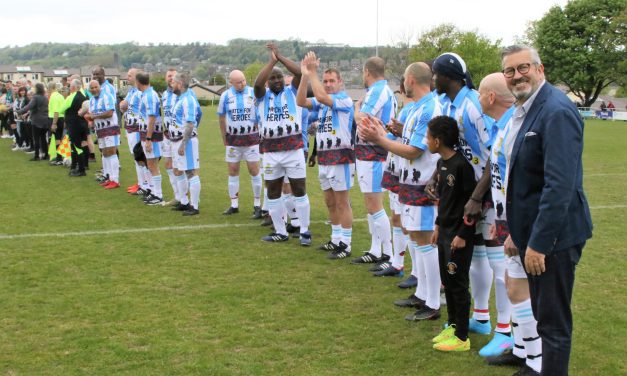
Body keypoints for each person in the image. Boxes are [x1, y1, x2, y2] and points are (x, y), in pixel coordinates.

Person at [503, 44, 592, 376]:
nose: (516, 76)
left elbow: (559, 187)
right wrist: (518, 233)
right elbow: (525, 182)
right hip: (534, 234)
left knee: (553, 325)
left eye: (523, 67)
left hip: (555, 239)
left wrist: (538, 243)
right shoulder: (526, 108)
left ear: (540, 69)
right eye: (509, 71)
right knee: (544, 318)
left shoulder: (555, 110)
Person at [463, 72, 543, 373]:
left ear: (491, 97)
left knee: (520, 288)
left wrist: (515, 226)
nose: (477, 99)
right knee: (512, 285)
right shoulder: (503, 125)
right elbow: (499, 177)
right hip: (508, 218)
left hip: (522, 220)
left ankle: (535, 361)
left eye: (480, 93)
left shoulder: (516, 124)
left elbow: (521, 181)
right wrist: (499, 217)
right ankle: (521, 350)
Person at [432, 52, 511, 342]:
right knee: (476, 258)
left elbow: (495, 155)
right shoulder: (452, 104)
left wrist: (478, 196)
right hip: (470, 192)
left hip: (487, 192)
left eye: (435, 73)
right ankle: (480, 316)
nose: (432, 79)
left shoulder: (473, 105)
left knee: (497, 260)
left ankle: (505, 330)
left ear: (447, 76)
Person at [359, 63, 443, 321]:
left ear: (410, 80)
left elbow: (416, 150)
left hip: (424, 182)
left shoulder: (430, 107)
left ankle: (433, 302)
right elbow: (409, 143)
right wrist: (389, 133)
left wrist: (380, 139)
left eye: (405, 79)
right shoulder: (416, 107)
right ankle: (422, 293)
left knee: (426, 239)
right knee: (417, 236)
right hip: (410, 180)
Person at [296, 51, 355, 258]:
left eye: (332, 81)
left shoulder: (345, 100)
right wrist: (304, 75)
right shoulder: (322, 103)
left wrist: (313, 72)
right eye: (325, 81)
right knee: (330, 202)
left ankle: (346, 245)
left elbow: (321, 96)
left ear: (340, 82)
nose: (328, 84)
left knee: (342, 202)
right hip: (324, 158)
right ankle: (336, 238)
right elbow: (301, 101)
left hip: (341, 157)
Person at [425, 115, 476, 352]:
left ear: (438, 140)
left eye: (427, 137)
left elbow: (472, 205)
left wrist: (463, 234)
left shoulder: (461, 166)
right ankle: (453, 326)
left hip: (458, 236)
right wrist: (437, 227)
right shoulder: (441, 165)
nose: (426, 141)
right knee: (447, 281)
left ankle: (462, 337)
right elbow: (444, 201)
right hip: (444, 232)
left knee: (458, 284)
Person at [253, 43, 311, 246]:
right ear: (269, 81)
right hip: (270, 152)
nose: (277, 80)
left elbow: (300, 73)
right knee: (273, 192)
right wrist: (271, 62)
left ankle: (304, 231)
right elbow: (257, 84)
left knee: (299, 190)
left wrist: (280, 57)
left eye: (279, 77)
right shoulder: (262, 97)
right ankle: (280, 231)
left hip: (293, 150)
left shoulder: (293, 92)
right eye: (273, 78)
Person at [351, 56, 397, 265]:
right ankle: (375, 249)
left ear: (367, 71)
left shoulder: (379, 91)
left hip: (374, 154)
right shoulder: (379, 90)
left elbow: (363, 117)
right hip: (368, 153)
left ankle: (387, 253)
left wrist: (357, 110)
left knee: (374, 204)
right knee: (371, 205)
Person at [218, 69, 262, 217]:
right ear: (231, 83)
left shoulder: (253, 93)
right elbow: (221, 118)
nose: (242, 84)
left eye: (243, 80)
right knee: (232, 171)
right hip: (233, 140)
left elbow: (261, 114)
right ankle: (234, 204)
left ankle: (257, 205)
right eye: (238, 82)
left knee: (254, 171)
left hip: (252, 140)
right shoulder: (225, 96)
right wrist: (224, 137)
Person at [170, 72, 203, 216]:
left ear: (180, 84)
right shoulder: (180, 98)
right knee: (178, 169)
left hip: (185, 141)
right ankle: (184, 202)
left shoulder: (188, 99)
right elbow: (200, 113)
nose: (171, 85)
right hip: (175, 140)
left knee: (190, 172)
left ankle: (194, 206)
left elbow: (190, 123)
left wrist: (184, 142)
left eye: (173, 82)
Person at [136, 71, 165, 205]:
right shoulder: (146, 95)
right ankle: (154, 192)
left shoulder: (150, 96)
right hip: (146, 134)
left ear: (138, 82)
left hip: (152, 135)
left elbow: (152, 117)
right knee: (151, 163)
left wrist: (148, 139)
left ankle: (158, 195)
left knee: (153, 164)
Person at [87, 79, 121, 189]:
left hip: (110, 127)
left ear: (99, 87)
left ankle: (115, 180)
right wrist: (90, 120)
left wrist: (94, 117)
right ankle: (108, 177)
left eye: (96, 87)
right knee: (105, 153)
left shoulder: (107, 96)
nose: (94, 89)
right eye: (91, 88)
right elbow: (92, 115)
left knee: (111, 151)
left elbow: (110, 113)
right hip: (100, 129)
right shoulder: (91, 100)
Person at [119, 68, 148, 195]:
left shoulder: (141, 92)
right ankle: (141, 183)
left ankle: (145, 185)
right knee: (135, 157)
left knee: (140, 157)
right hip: (130, 128)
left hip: (137, 128)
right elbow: (124, 105)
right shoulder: (131, 91)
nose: (127, 78)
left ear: (137, 77)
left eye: (130, 76)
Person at [161, 69, 182, 207]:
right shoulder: (164, 95)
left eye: (173, 76)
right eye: (169, 76)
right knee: (168, 164)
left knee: (181, 166)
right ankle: (177, 196)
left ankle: (186, 197)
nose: (171, 78)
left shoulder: (181, 94)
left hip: (179, 135)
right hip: (167, 134)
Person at [17, 83, 49, 161]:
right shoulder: (45, 97)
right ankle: (45, 155)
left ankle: (37, 156)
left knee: (36, 138)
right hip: (45, 120)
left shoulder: (35, 97)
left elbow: (29, 106)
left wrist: (19, 111)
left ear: (36, 89)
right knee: (43, 138)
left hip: (36, 120)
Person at [64, 79, 90, 176]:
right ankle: (81, 165)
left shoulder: (72, 97)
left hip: (74, 124)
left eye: (70, 86)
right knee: (83, 144)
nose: (69, 88)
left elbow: (62, 108)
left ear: (74, 87)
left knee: (75, 146)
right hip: (83, 123)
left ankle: (80, 169)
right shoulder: (84, 96)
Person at [48, 82, 66, 165]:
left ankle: (59, 159)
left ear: (50, 89)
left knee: (57, 139)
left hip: (55, 118)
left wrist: (54, 123)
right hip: (61, 118)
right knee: (58, 138)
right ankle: (59, 157)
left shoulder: (53, 96)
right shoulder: (60, 96)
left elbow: (56, 111)